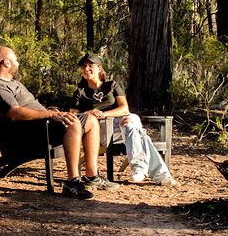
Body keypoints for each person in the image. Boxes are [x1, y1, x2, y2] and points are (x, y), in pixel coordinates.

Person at [0, 44, 98, 199]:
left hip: (43, 124)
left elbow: (30, 107)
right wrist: (49, 115)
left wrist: (51, 111)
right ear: (6, 63)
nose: (18, 63)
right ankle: (72, 182)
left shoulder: (13, 83)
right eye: (15, 60)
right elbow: (15, 113)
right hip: (31, 133)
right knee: (73, 122)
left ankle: (91, 176)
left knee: (91, 120)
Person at [72, 53, 173, 185]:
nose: (86, 69)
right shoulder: (80, 92)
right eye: (84, 66)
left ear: (99, 69)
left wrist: (104, 114)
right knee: (140, 133)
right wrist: (89, 113)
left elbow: (124, 109)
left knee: (131, 121)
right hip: (98, 130)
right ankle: (160, 174)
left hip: (119, 124)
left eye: (90, 65)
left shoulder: (112, 86)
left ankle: (140, 168)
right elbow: (73, 116)